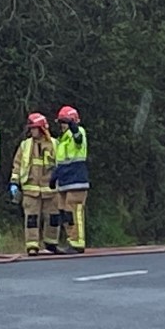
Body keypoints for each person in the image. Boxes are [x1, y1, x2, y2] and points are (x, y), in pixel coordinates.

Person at [10, 113, 59, 256]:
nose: (32, 131)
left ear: (42, 129)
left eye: (34, 128)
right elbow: (17, 165)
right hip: (30, 191)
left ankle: (51, 244)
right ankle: (32, 246)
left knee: (53, 218)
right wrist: (14, 182)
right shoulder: (25, 145)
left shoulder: (55, 144)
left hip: (51, 190)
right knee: (31, 219)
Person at [53, 105, 89, 253]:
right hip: (64, 181)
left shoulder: (78, 132)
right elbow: (61, 161)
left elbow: (79, 140)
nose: (62, 125)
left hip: (76, 180)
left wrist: (74, 128)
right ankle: (70, 240)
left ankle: (77, 243)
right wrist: (54, 177)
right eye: (60, 122)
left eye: (64, 122)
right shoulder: (62, 139)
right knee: (65, 212)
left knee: (74, 211)